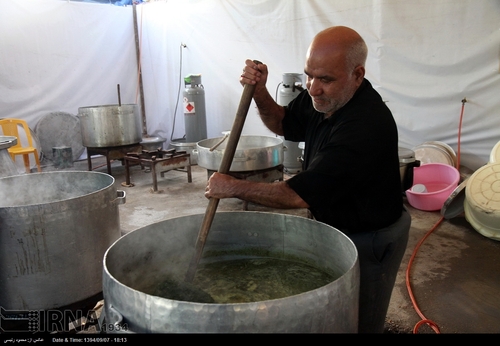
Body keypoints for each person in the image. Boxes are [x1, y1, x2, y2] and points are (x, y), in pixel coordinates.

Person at [205, 26, 411, 333]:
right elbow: (282, 122)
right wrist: (260, 91)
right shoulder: (323, 98)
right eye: (309, 75)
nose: (313, 88)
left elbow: (297, 195)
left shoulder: (365, 126)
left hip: (371, 236)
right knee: (334, 307)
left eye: (325, 79)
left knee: (361, 315)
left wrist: (231, 186)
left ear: (357, 74)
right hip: (336, 222)